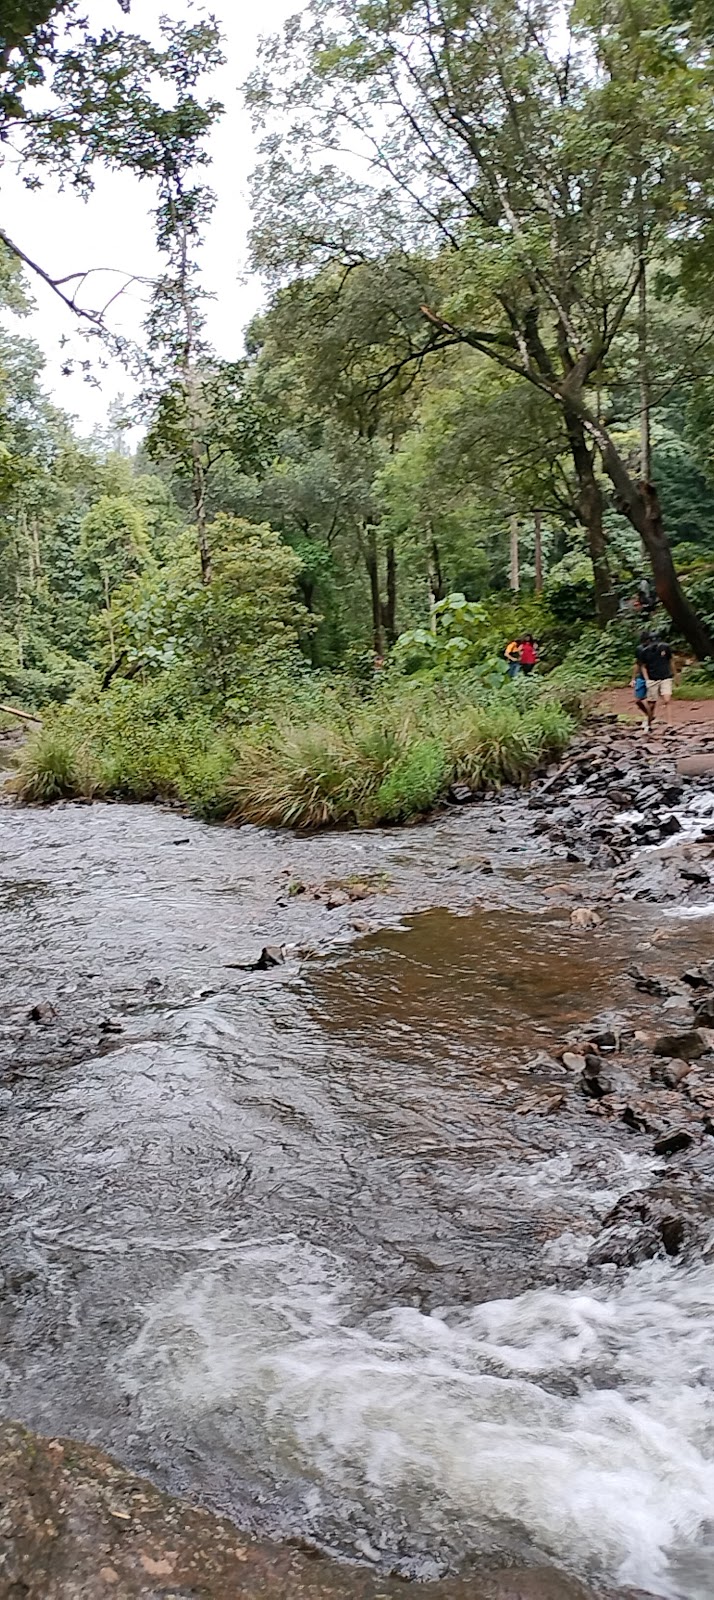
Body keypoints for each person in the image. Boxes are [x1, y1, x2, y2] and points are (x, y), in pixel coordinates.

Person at [635, 630, 674, 727]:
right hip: (652, 679)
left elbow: (671, 660)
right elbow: (642, 666)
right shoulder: (644, 651)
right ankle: (649, 722)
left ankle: (670, 723)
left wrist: (674, 674)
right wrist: (647, 679)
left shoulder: (665, 648)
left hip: (666, 677)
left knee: (667, 700)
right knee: (651, 703)